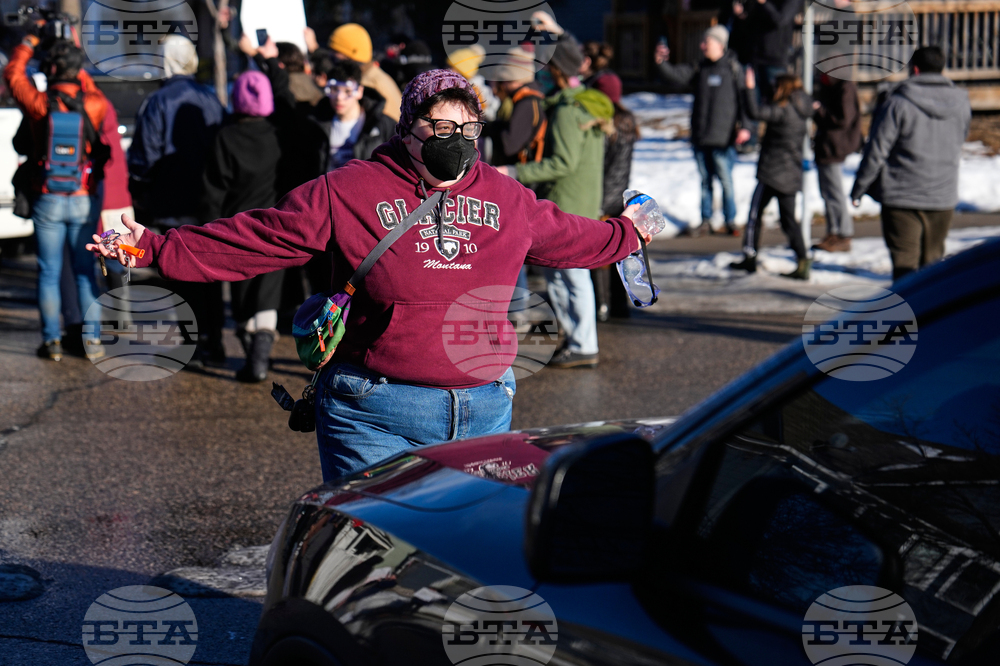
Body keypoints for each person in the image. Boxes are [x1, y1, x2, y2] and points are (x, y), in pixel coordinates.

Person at [88, 69, 646, 482]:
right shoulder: (348, 190)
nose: (454, 138)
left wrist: (629, 233)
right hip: (374, 411)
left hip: (484, 408)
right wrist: (154, 249)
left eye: (468, 126)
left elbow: (574, 236)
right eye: (439, 124)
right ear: (408, 126)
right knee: (375, 561)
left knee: (461, 557)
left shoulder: (507, 197)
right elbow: (257, 237)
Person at [498, 33, 615, 369]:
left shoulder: (567, 110)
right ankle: (578, 340)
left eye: (546, 66)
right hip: (584, 198)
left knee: (571, 276)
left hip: (567, 201)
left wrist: (513, 171)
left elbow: (563, 163)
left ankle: (583, 344)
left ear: (558, 70)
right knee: (564, 275)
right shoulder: (585, 101)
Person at [4, 36, 109, 362]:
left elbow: (12, 75)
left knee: (49, 272)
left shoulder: (37, 104)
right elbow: (91, 89)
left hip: (47, 196)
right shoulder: (94, 103)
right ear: (78, 71)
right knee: (84, 271)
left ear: (50, 70)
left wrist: (29, 41)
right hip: (83, 196)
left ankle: (52, 342)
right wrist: (73, 49)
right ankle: (93, 342)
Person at [127, 35, 226, 367]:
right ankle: (216, 339)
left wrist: (140, 188)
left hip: (171, 200)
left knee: (180, 269)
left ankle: (194, 342)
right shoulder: (210, 98)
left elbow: (144, 156)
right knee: (210, 269)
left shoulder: (157, 102)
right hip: (209, 199)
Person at [851, 46, 971, 281]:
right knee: (934, 267)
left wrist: (860, 187)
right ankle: (934, 316)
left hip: (902, 195)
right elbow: (961, 138)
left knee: (905, 267)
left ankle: (908, 316)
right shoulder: (961, 103)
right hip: (942, 196)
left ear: (914, 69)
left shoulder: (898, 103)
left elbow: (877, 150)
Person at [199, 71, 283, 383]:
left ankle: (253, 356)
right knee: (268, 290)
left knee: (242, 289)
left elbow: (214, 189)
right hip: (276, 224)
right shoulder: (278, 135)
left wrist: (209, 227)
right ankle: (261, 353)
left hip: (236, 226)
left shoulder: (225, 137)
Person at [655, 26, 750, 236]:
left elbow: (745, 101)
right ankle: (705, 220)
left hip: (724, 138)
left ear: (720, 44)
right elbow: (676, 76)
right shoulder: (700, 68)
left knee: (726, 181)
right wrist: (662, 64)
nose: (702, 46)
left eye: (707, 42)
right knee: (705, 181)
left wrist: (745, 127)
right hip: (700, 136)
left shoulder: (734, 69)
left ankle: (730, 220)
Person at [730, 69, 814, 279]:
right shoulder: (802, 108)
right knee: (788, 221)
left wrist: (749, 88)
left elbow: (755, 113)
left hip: (772, 172)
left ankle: (750, 256)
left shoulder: (783, 109)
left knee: (754, 214)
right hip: (791, 173)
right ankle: (803, 260)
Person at [591, 72, 640, 321]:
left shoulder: (609, 122)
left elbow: (606, 167)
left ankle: (602, 304)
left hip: (605, 195)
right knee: (618, 251)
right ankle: (619, 305)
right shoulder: (626, 120)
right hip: (620, 193)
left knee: (601, 252)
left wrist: (599, 202)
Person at [812, 73, 861, 253]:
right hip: (825, 146)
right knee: (827, 192)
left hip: (835, 146)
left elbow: (843, 118)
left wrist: (820, 110)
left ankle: (844, 233)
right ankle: (833, 231)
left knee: (835, 192)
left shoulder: (845, 87)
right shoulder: (831, 87)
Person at [320, 60, 398, 171]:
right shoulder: (316, 125)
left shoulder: (383, 125)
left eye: (347, 91)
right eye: (334, 89)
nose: (339, 97)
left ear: (360, 91)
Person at [323, 23, 402, 122]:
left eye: (335, 53)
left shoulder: (367, 85)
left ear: (350, 56)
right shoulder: (375, 74)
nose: (331, 58)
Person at [484, 47, 546, 166]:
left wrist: (490, 128)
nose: (502, 86)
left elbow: (510, 145)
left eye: (503, 80)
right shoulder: (529, 99)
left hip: (519, 173)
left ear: (513, 78)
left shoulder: (526, 103)